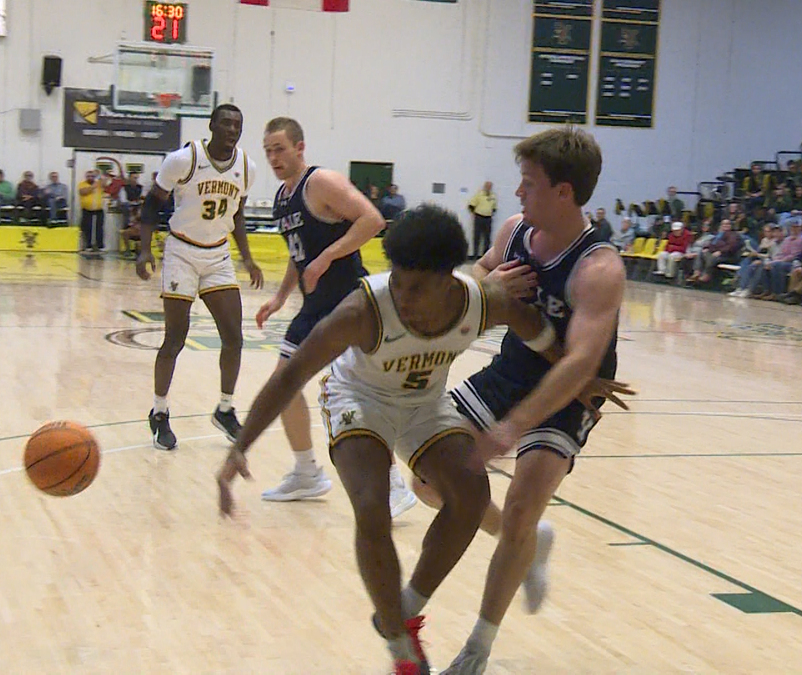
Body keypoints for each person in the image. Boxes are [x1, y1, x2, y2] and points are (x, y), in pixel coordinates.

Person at [217, 205, 623, 675]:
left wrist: (582, 375)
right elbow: (289, 379)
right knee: (373, 506)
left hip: (423, 403)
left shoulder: (482, 301)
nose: (404, 297)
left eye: (418, 287)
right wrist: (239, 446)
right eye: (398, 281)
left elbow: (534, 329)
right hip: (359, 398)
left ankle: (404, 607)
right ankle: (400, 647)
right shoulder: (362, 311)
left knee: (471, 497)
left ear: (449, 280)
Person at [443, 127, 625, 674]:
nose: (518, 193)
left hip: (569, 395)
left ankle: (477, 646)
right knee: (428, 480)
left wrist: (513, 427)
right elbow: (476, 275)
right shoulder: (515, 229)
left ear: (564, 192)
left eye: (528, 184)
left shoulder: (599, 268)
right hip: (512, 368)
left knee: (521, 509)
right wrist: (489, 279)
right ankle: (526, 543)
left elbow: (577, 365)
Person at [255, 116, 415, 514]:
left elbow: (373, 220)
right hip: (314, 306)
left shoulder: (320, 182)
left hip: (348, 301)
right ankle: (307, 472)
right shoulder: (282, 197)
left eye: (279, 148)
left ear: (299, 147)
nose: (273, 156)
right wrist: (279, 298)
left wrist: (328, 255)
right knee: (284, 384)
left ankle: (394, 486)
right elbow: (299, 256)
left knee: (355, 394)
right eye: (268, 150)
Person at [134, 103, 264, 450]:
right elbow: (152, 205)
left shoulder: (246, 168)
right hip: (181, 252)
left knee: (234, 337)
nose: (232, 129)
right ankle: (159, 412)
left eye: (237, 124)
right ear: (211, 125)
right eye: (225, 123)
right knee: (175, 338)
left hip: (218, 255)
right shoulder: (184, 160)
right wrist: (145, 248)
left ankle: (225, 409)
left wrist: (248, 258)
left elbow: (237, 216)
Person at [467, 181, 498, 259]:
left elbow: (494, 208)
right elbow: (471, 205)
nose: (488, 188)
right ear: (484, 186)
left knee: (487, 238)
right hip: (479, 217)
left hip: (488, 218)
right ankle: (475, 255)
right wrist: (475, 213)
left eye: (490, 186)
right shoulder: (479, 195)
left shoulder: (493, 196)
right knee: (477, 237)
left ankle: (485, 257)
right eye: (487, 186)